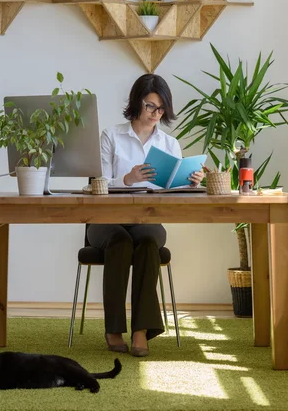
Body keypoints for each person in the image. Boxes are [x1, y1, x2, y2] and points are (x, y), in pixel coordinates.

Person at [87, 74, 203, 357]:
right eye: (151, 106)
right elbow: (95, 184)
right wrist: (127, 179)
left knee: (150, 241)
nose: (155, 114)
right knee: (120, 242)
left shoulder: (169, 144)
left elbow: (173, 189)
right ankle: (114, 328)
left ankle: (142, 330)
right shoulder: (111, 136)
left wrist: (190, 182)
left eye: (161, 109)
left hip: (147, 219)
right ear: (136, 102)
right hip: (106, 218)